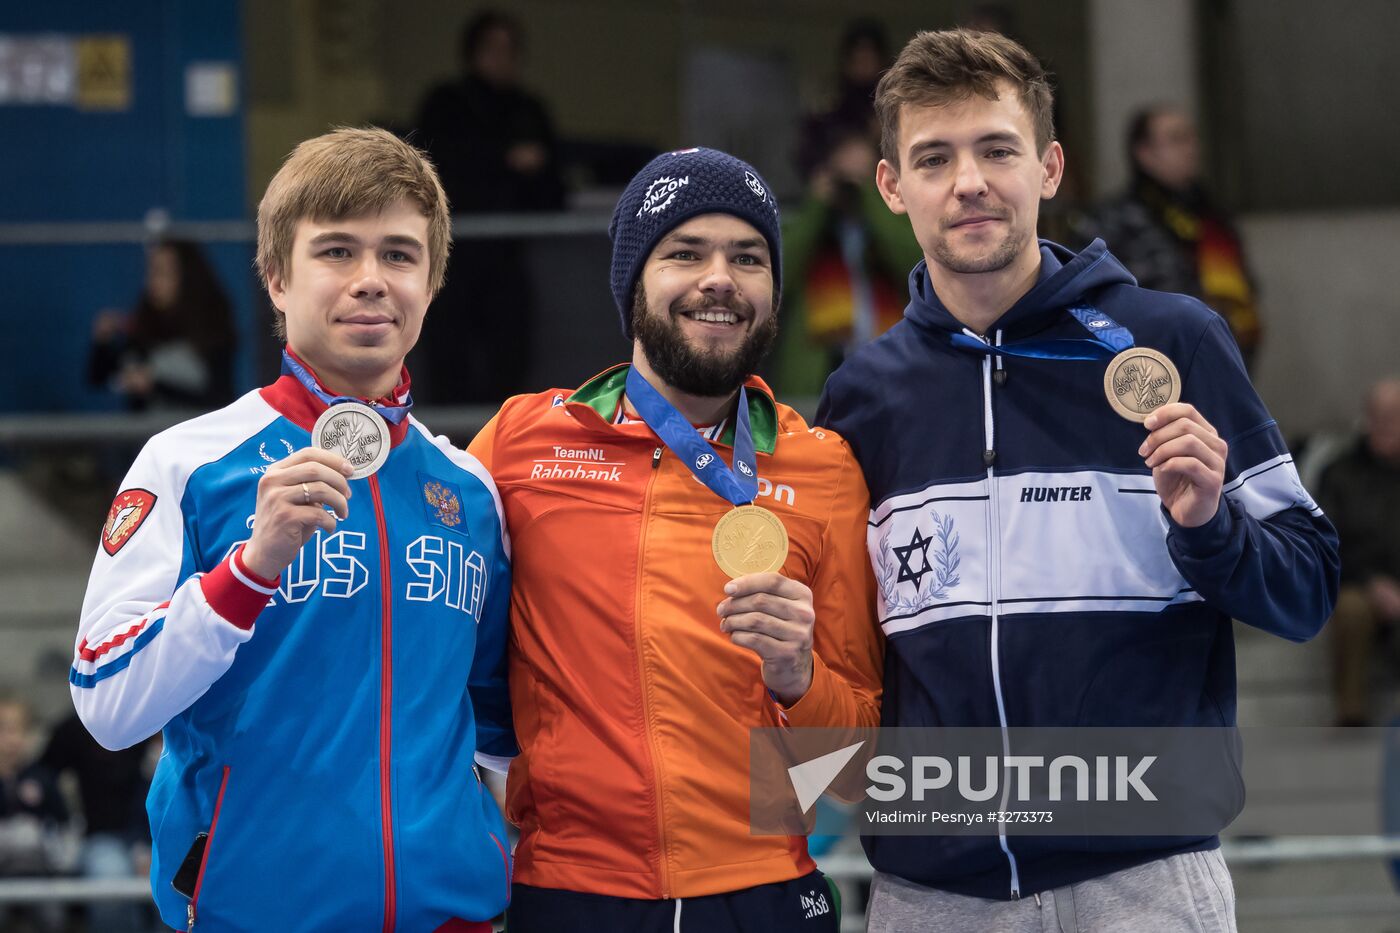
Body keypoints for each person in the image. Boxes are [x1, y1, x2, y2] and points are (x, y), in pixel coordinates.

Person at [815, 29, 1339, 929]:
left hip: (1147, 882)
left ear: (1050, 168)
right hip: (931, 896)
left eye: (996, 149)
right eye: (934, 157)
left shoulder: (1173, 341)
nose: (969, 180)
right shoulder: (861, 400)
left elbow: (1308, 590)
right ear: (894, 186)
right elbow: (843, 655)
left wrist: (1212, 527)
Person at [69, 127, 515, 932]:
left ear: (434, 279)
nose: (371, 281)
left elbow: (504, 727)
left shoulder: (472, 491)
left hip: (455, 917)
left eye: (400, 255)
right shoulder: (187, 464)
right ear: (277, 277)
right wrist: (249, 568)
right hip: (256, 913)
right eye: (337, 252)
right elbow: (106, 702)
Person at [468, 147, 883, 932]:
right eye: (685, 252)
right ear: (633, 285)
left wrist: (800, 679)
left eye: (748, 257)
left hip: (765, 892)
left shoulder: (823, 470)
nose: (719, 278)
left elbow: (858, 770)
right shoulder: (520, 443)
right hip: (569, 891)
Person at [414, 9, 565, 404]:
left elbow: (555, 187)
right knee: (449, 363)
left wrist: (532, 170)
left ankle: (504, 450)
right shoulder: (446, 103)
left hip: (506, 260)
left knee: (511, 362)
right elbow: (431, 166)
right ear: (472, 53)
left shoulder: (528, 109)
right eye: (492, 49)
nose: (502, 59)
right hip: (451, 260)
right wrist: (503, 160)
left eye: (510, 50)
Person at [1091, 105, 1264, 371]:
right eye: (1176, 139)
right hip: (1149, 366)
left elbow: (1244, 291)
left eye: (1191, 138)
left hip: (1221, 359)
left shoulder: (1214, 219)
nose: (1190, 148)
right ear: (1145, 153)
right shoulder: (1114, 221)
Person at [1318, 377, 1400, 726]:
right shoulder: (1340, 473)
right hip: (1359, 584)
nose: (1390, 424)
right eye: (1383, 415)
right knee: (1351, 611)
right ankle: (1351, 715)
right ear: (1368, 418)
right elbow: (1325, 543)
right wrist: (1372, 583)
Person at [40, 714, 157, 933]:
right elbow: (43, 777)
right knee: (111, 876)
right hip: (105, 836)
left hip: (165, 835)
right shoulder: (78, 725)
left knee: (182, 882)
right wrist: (64, 823)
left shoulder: (166, 715)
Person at [88, 238, 236, 410]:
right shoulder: (142, 327)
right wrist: (102, 342)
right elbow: (100, 378)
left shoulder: (213, 329)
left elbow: (219, 397)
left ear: (188, 277)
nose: (153, 281)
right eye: (151, 271)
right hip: (148, 434)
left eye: (163, 272)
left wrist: (155, 385)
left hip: (197, 432)